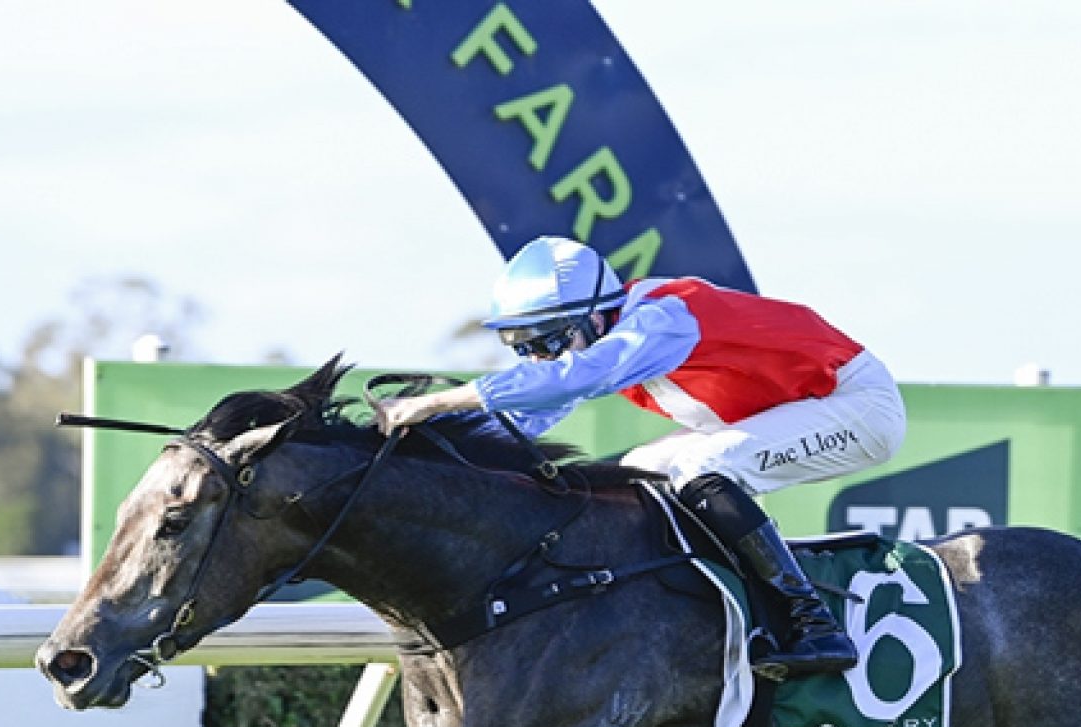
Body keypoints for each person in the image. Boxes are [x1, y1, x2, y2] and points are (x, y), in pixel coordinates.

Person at [375, 236, 908, 678]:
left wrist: (437, 401)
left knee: (701, 469)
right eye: (527, 348)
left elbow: (573, 377)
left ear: (596, 315)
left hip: (857, 405)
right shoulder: (607, 335)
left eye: (550, 342)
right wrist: (426, 446)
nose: (541, 358)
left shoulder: (660, 320)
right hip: (795, 409)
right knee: (639, 475)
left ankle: (813, 623)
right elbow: (529, 416)